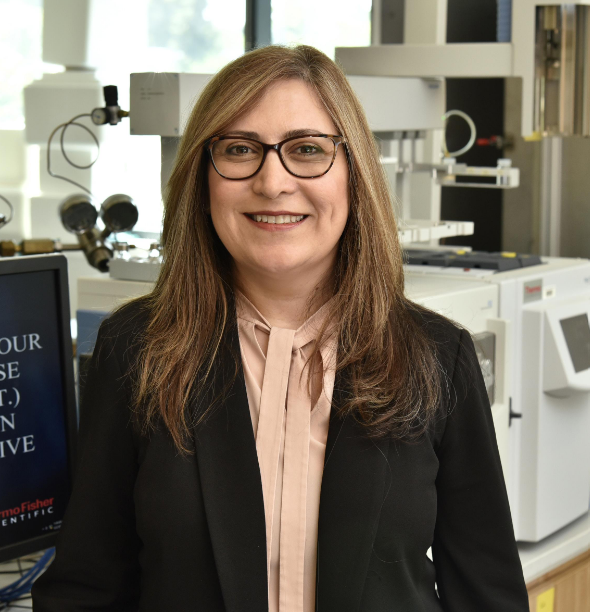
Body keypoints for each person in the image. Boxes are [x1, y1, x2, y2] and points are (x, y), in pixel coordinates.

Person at [31, 45, 529, 612]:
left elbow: (490, 595)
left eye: (307, 150)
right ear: (204, 175)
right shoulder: (136, 349)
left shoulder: (437, 357)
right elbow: (86, 588)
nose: (272, 182)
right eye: (240, 149)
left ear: (354, 173)